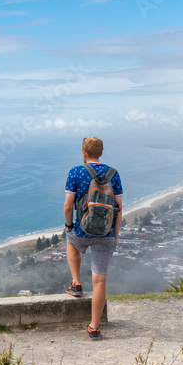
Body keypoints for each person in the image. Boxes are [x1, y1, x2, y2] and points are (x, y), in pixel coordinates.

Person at [63, 136, 123, 340]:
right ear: (101, 153)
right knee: (99, 281)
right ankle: (94, 327)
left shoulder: (76, 172)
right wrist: (114, 235)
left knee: (70, 241)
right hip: (106, 233)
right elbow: (118, 209)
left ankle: (76, 283)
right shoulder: (113, 174)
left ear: (84, 153)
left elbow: (68, 206)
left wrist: (70, 226)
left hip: (81, 232)